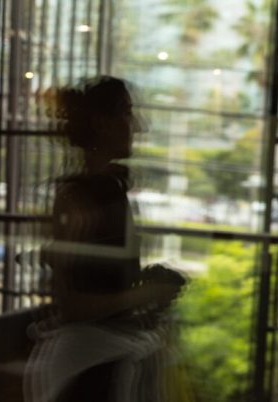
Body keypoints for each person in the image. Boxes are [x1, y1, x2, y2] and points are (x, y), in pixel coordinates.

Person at [23, 76, 187, 402]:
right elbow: (72, 306)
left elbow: (97, 279)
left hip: (104, 362)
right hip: (87, 369)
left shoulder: (109, 191)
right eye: (127, 113)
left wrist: (144, 285)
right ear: (102, 123)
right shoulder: (79, 200)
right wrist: (141, 295)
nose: (138, 126)